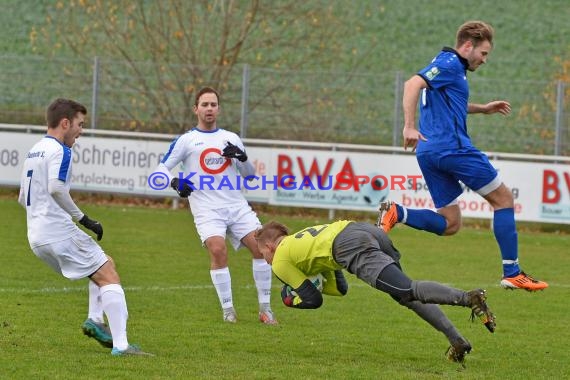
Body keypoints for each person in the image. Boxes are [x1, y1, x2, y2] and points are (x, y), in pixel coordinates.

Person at [379, 20, 547, 291]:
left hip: (428, 151)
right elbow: (412, 84)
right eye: (484, 53)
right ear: (468, 46)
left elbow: (450, 103)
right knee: (503, 199)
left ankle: (398, 213)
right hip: (453, 148)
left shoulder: (444, 65)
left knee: (450, 223)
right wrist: (409, 125)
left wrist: (483, 109)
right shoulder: (449, 64)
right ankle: (512, 272)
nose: (485, 60)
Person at [255, 220, 496, 365]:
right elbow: (340, 288)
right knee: (406, 296)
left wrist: (291, 301)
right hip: (364, 231)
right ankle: (457, 342)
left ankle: (469, 298)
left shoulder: (280, 260)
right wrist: (314, 284)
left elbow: (312, 299)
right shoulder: (299, 244)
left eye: (262, 254)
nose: (265, 261)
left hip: (349, 245)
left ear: (269, 246)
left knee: (406, 288)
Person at [18, 98, 151, 356]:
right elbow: (56, 188)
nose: (81, 131)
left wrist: (41, 217)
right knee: (109, 274)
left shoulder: (34, 151)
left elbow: (23, 198)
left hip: (36, 237)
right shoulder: (61, 150)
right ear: (65, 123)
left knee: (102, 263)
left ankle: (96, 320)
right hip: (58, 232)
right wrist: (84, 219)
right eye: (80, 124)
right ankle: (122, 346)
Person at [154, 87, 276, 324]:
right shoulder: (186, 140)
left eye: (213, 105)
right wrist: (174, 181)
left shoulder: (231, 138)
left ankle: (265, 309)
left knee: (263, 249)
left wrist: (241, 158)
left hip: (236, 206)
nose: (209, 109)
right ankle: (229, 312)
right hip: (207, 209)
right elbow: (160, 169)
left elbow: (250, 176)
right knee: (218, 250)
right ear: (196, 109)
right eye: (204, 104)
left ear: (218, 109)